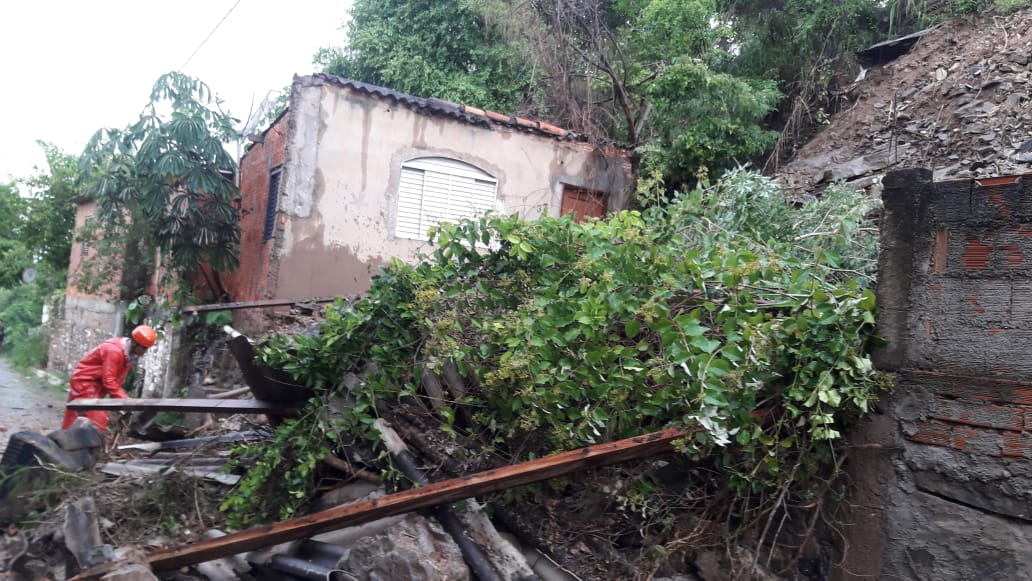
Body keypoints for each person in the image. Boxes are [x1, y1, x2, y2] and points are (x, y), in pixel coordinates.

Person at [62, 325, 158, 432]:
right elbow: (109, 380)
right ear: (135, 344)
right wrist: (125, 400)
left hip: (97, 383)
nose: (145, 351)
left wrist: (120, 400)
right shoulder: (114, 351)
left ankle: (68, 440)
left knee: (80, 416)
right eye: (144, 348)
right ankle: (69, 441)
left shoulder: (129, 355)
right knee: (95, 420)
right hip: (85, 382)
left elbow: (117, 379)